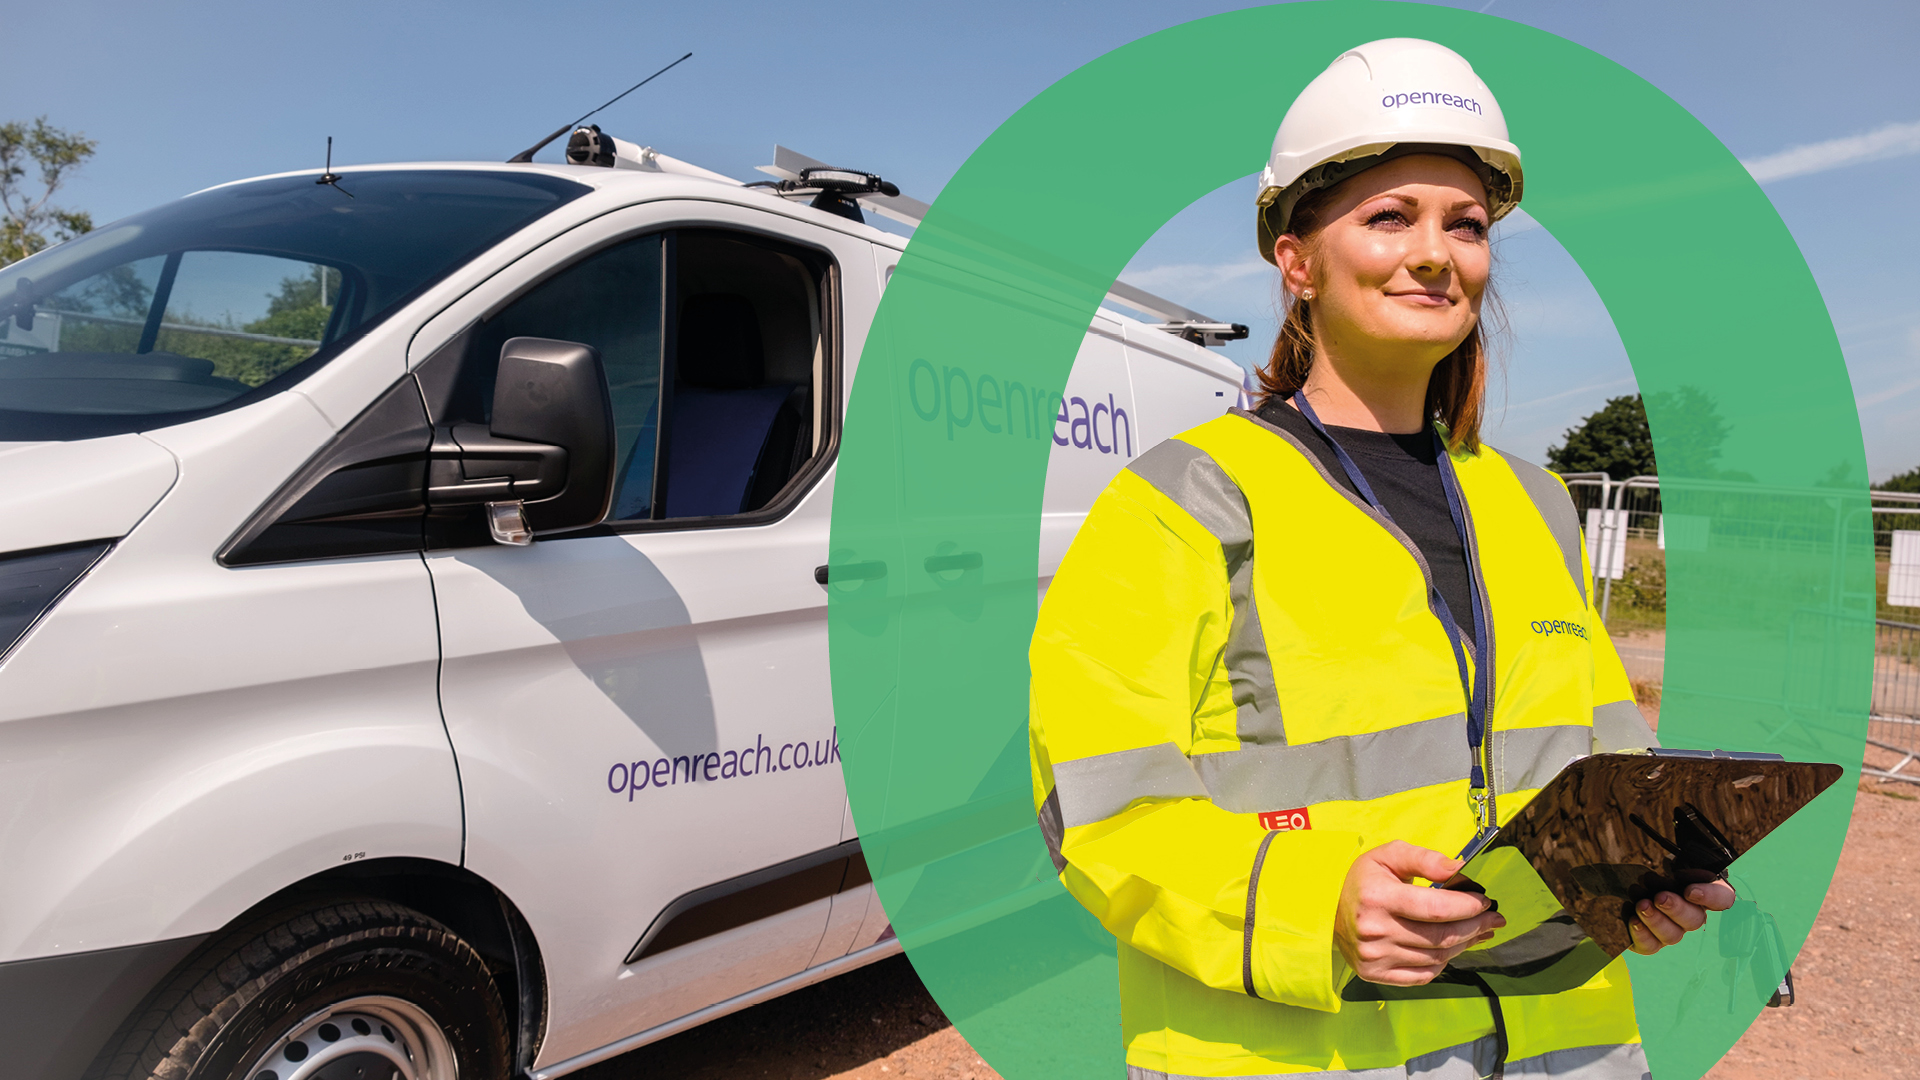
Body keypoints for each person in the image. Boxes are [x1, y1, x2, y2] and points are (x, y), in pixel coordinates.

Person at [1028, 38, 1734, 1080]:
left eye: (1467, 224)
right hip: (1305, 1053)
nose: (1436, 253)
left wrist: (1643, 879)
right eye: (1389, 217)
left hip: (1562, 1047)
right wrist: (1316, 904)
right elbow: (1098, 812)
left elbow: (1600, 766)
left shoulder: (1532, 503)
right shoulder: (1182, 505)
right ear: (1297, 261)